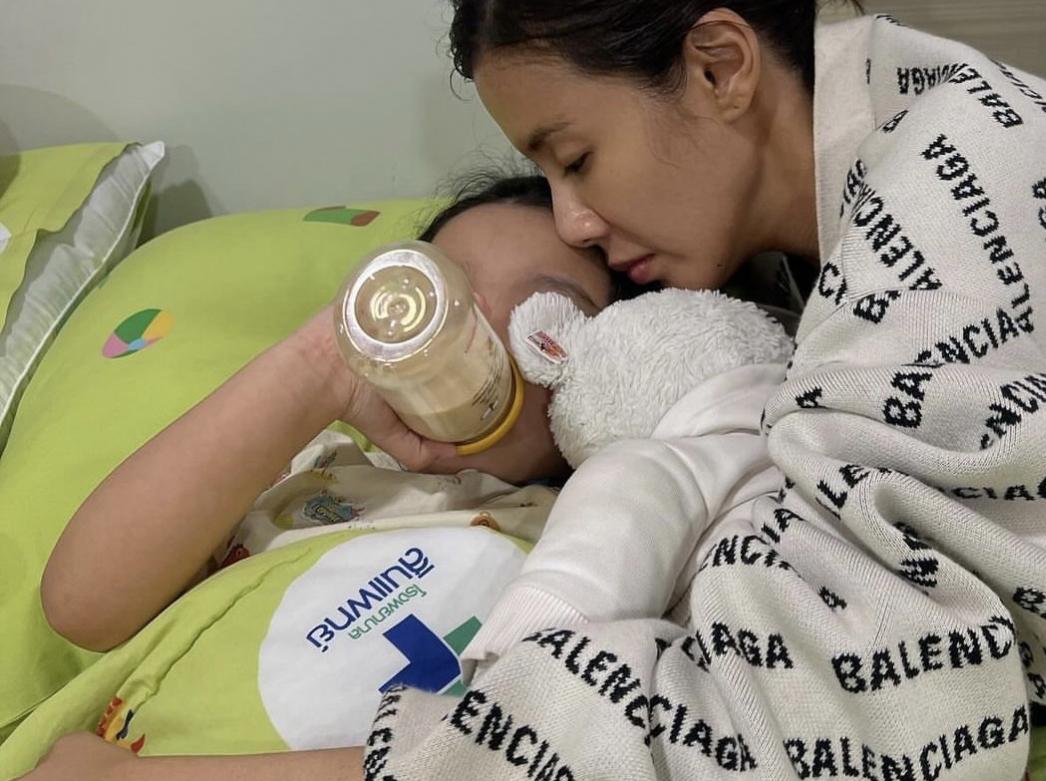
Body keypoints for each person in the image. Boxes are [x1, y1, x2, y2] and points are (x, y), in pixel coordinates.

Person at [14, 0, 1046, 781]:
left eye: (576, 157)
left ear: (719, 64)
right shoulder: (825, 236)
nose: (576, 220)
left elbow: (796, 733)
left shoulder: (939, 193)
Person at [39, 169, 618, 656]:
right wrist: (318, 368)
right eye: (440, 290)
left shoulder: (603, 523)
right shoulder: (311, 472)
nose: (474, 320)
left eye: (549, 306)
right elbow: (83, 605)